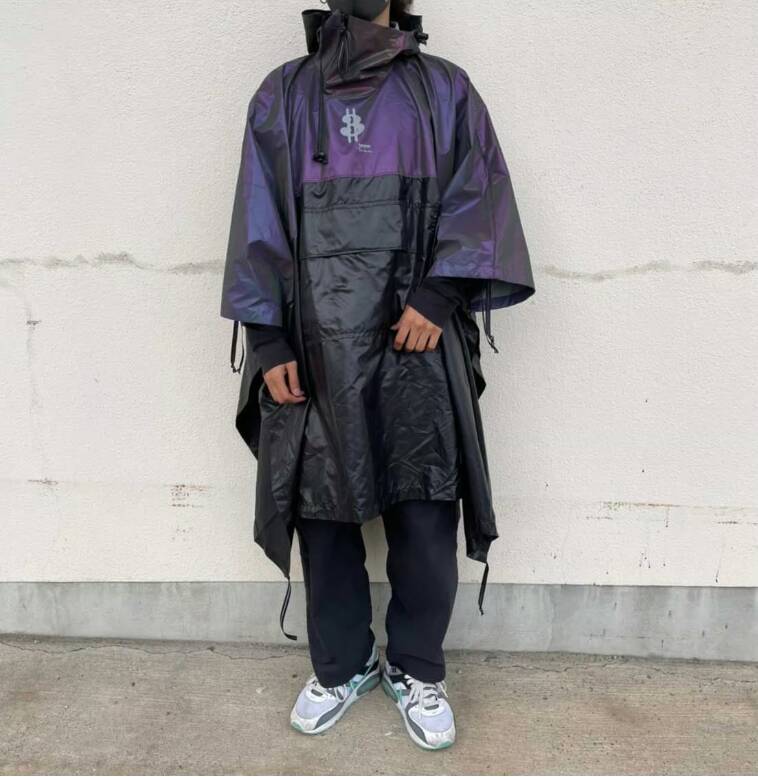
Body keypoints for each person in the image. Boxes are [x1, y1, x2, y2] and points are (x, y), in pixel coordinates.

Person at [220, 0, 534, 751]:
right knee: (323, 507)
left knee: (424, 500)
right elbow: (258, 214)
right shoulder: (284, 94)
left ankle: (418, 667)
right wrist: (267, 338)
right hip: (315, 342)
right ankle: (342, 665)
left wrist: (439, 294)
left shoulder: (444, 89)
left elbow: (479, 194)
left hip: (416, 337)